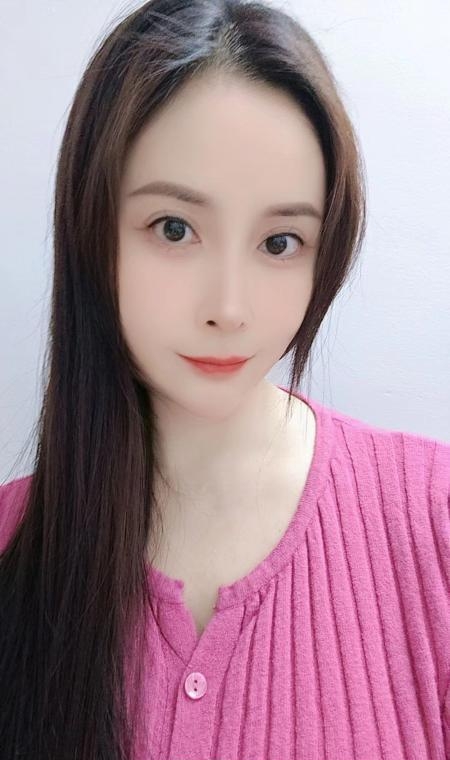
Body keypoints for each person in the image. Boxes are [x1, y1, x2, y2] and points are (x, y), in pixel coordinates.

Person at [0, 1, 448, 758]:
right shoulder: (14, 545)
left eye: (280, 241)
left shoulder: (433, 520)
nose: (230, 309)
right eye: (174, 228)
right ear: (91, 227)